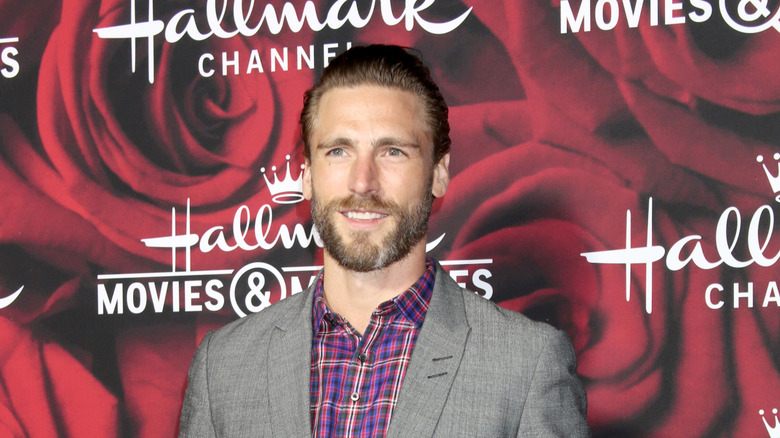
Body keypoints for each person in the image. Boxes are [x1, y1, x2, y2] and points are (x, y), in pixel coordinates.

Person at [179, 44, 589, 437]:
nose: (362, 181)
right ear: (306, 175)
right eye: (338, 151)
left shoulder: (527, 365)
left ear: (439, 172)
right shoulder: (224, 368)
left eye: (392, 151)